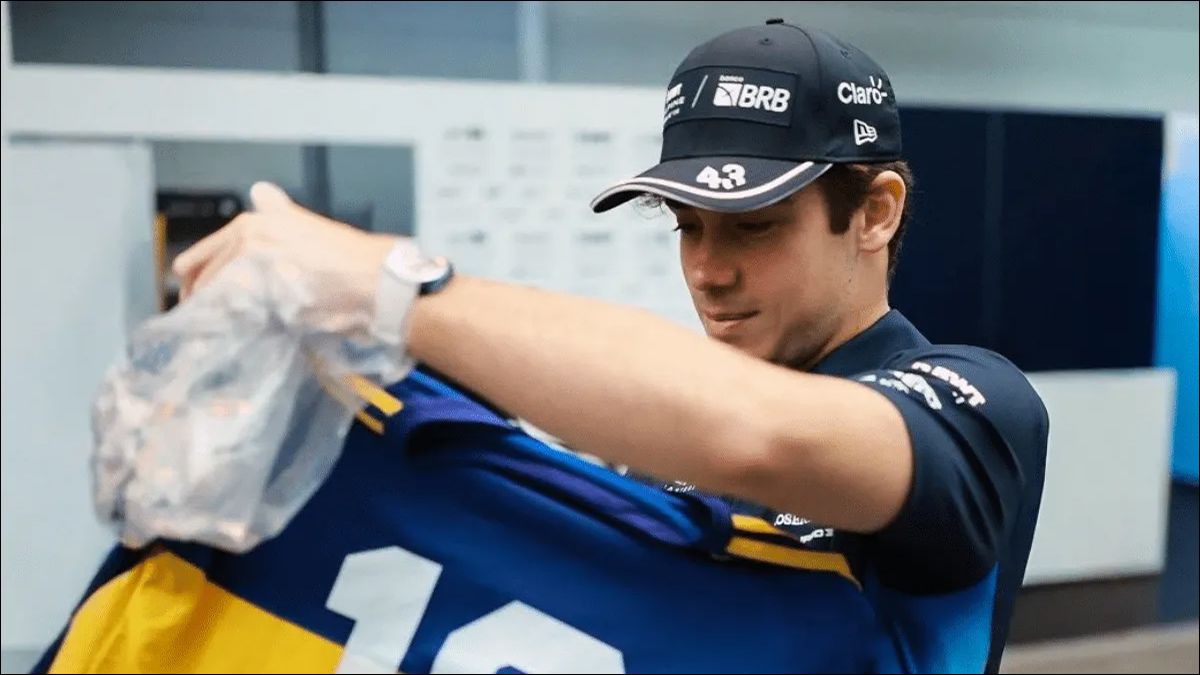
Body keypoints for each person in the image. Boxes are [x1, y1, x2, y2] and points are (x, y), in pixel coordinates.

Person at [173, 19, 1048, 674]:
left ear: (876, 212)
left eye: (754, 226)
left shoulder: (975, 405)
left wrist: (391, 288)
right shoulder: (668, 442)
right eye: (687, 226)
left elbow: (758, 435)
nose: (707, 271)